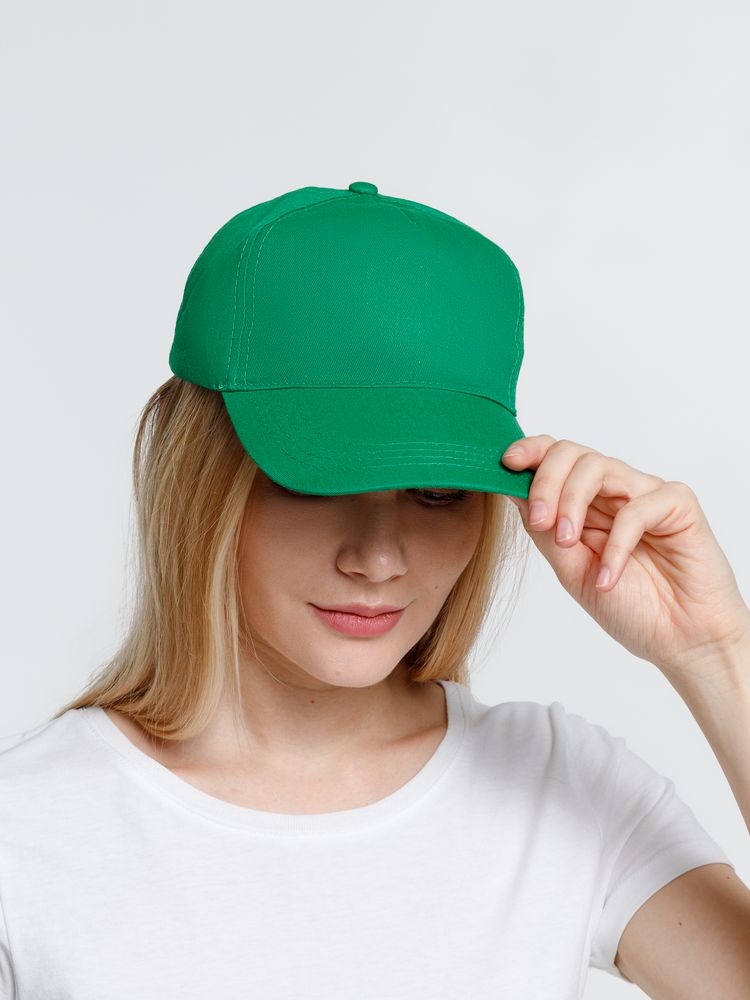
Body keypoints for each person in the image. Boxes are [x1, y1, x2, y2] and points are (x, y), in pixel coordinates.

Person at [1, 181, 749, 999]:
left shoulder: (559, 787)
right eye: (318, 480)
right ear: (198, 479)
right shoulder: (28, 831)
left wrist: (716, 652)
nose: (380, 557)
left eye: (437, 492)